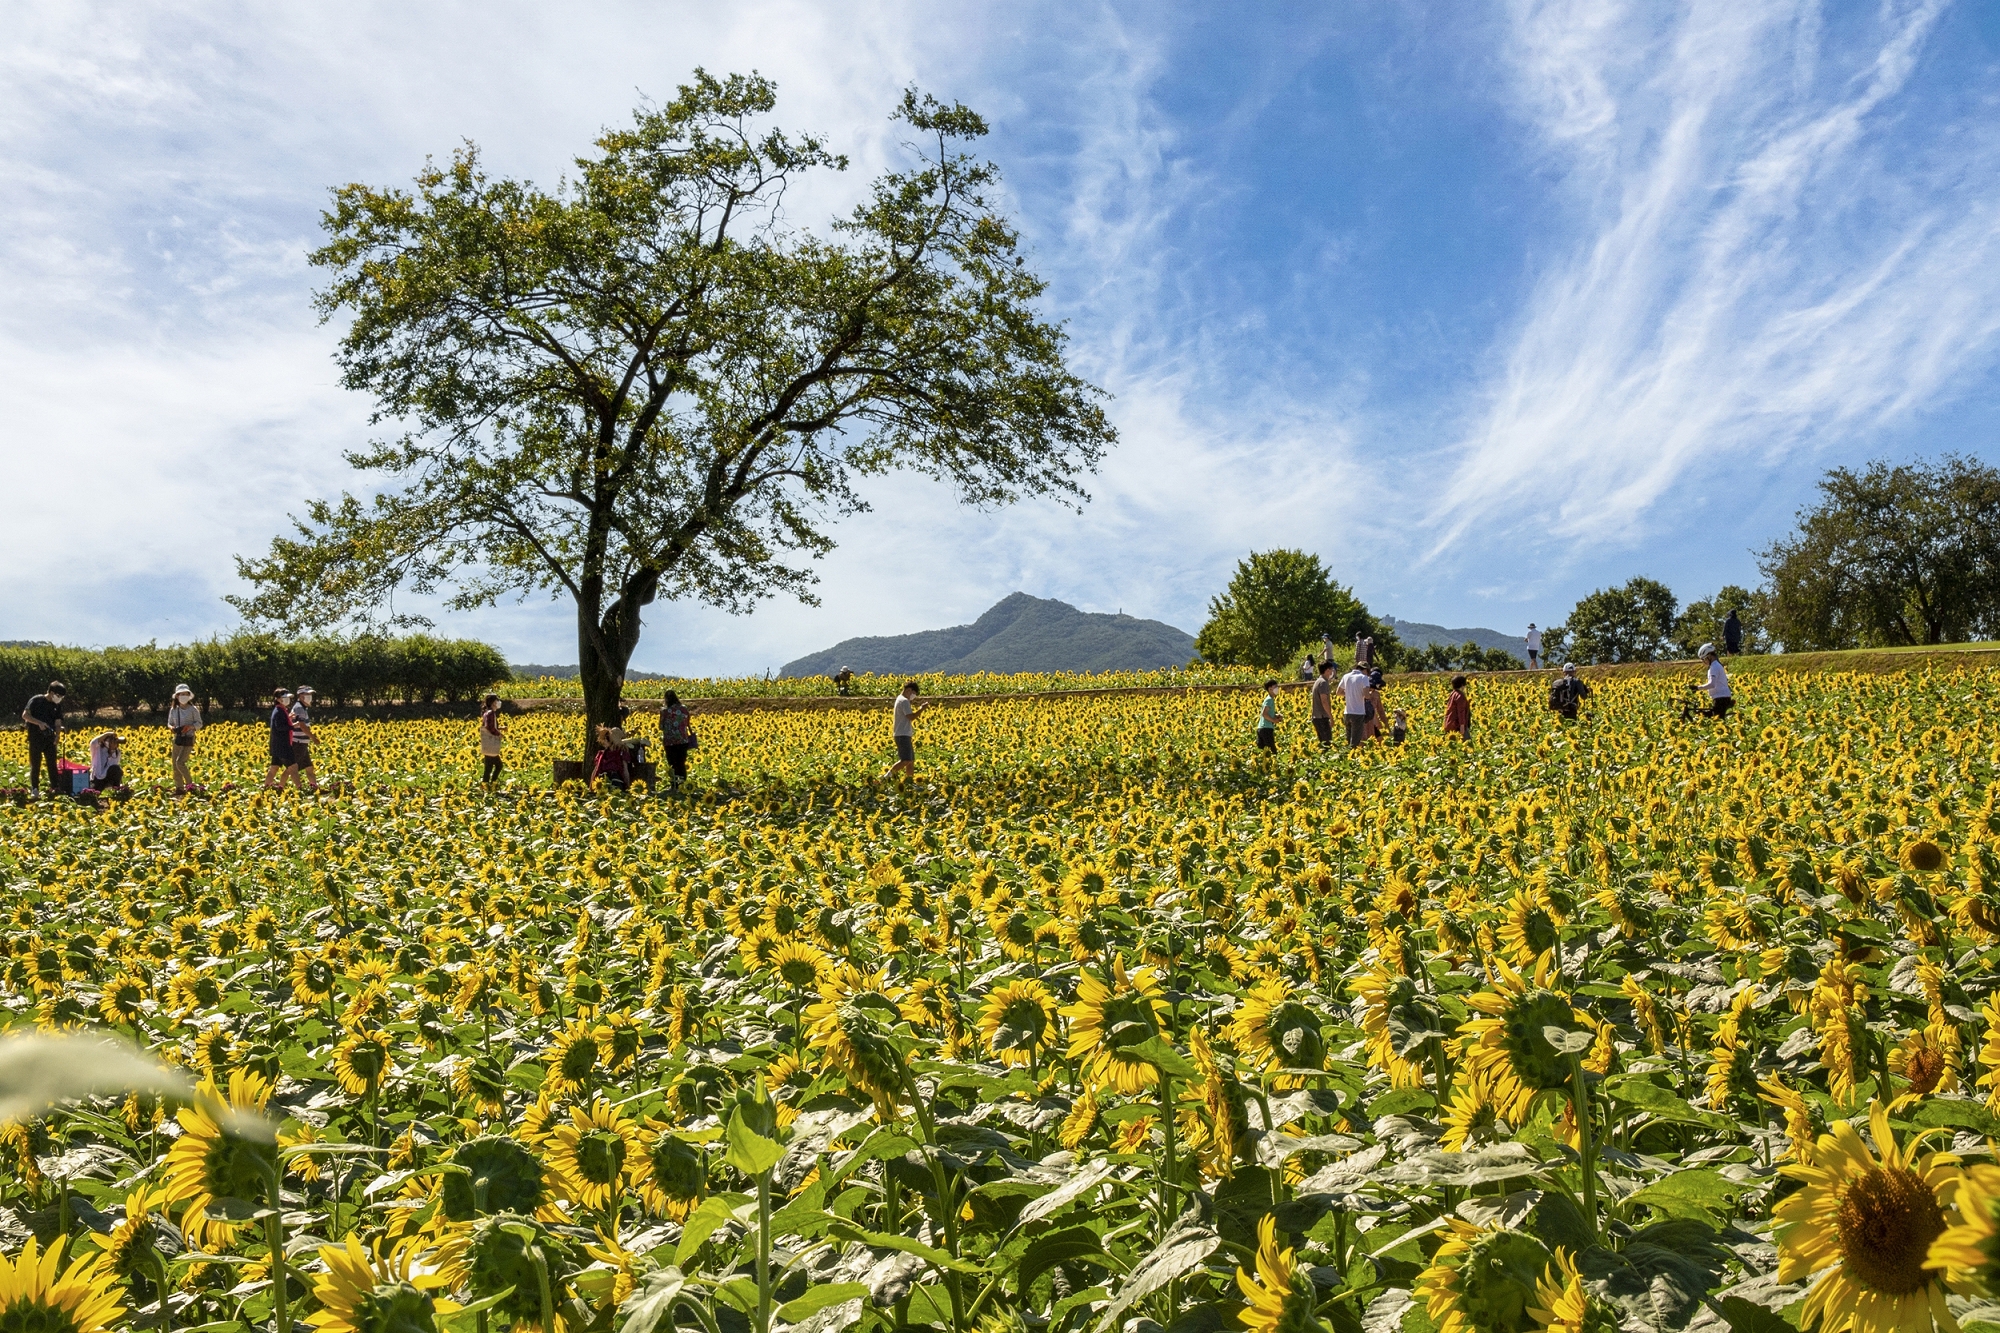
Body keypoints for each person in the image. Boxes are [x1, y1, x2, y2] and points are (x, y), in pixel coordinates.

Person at [20, 680, 66, 796]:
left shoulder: (57, 705)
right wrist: (39, 723)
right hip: (35, 738)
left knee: (52, 765)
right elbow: (25, 715)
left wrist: (57, 735)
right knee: (35, 765)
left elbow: (58, 722)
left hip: (49, 739)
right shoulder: (36, 700)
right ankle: (35, 789)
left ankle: (55, 788)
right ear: (51, 693)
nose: (59, 698)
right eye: (58, 696)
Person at [166, 683, 202, 792]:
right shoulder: (173, 709)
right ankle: (179, 787)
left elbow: (199, 723)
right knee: (174, 764)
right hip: (177, 738)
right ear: (177, 696)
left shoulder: (193, 709)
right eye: (181, 694)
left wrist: (190, 727)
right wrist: (172, 728)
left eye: (186, 694)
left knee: (180, 762)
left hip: (188, 738)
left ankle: (190, 785)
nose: (183, 696)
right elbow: (169, 723)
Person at [886, 681, 925, 777]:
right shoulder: (904, 701)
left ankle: (909, 781)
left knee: (910, 761)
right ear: (909, 690)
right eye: (914, 694)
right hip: (902, 734)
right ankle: (886, 777)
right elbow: (911, 717)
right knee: (906, 760)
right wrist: (921, 709)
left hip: (903, 734)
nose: (914, 696)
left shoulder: (900, 700)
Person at [659, 690, 696, 789]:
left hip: (669, 742)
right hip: (682, 740)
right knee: (681, 763)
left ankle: (674, 785)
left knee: (672, 764)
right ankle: (683, 785)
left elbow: (661, 727)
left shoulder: (664, 711)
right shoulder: (684, 709)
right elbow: (687, 723)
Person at [264, 689, 296, 791]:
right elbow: (279, 727)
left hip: (277, 745)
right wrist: (292, 726)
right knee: (293, 767)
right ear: (278, 699)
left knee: (274, 768)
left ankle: (267, 788)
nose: (288, 700)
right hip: (282, 745)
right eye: (285, 698)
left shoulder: (281, 710)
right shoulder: (278, 711)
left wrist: (289, 719)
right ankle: (296, 788)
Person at [290, 686, 320, 793]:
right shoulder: (299, 707)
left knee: (309, 767)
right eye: (307, 695)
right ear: (301, 696)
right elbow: (302, 725)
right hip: (298, 742)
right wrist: (313, 738)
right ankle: (298, 789)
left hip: (302, 742)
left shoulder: (302, 707)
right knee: (293, 768)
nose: (309, 697)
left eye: (310, 695)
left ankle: (314, 788)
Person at [1693, 643, 1734, 719]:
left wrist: (1698, 688)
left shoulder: (1714, 667)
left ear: (1709, 656)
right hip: (1722, 697)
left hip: (1721, 698)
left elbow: (1712, 684)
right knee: (1708, 716)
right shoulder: (1717, 665)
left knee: (1715, 720)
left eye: (1703, 659)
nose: (1703, 662)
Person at [1338, 661, 1370, 749]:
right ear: (1365, 670)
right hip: (1358, 713)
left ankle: (1346, 757)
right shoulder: (1364, 678)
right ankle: (1352, 759)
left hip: (1347, 713)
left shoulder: (1346, 676)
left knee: (1348, 740)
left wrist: (1350, 693)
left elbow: (1338, 692)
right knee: (1355, 741)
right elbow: (1366, 695)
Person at [590, 723, 632, 788]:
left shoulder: (621, 753)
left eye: (606, 739)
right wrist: (591, 786)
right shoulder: (602, 754)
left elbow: (625, 770)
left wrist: (627, 785)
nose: (605, 742)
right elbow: (596, 770)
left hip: (614, 780)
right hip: (603, 780)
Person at [478, 693, 506, 784]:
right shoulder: (491, 713)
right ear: (493, 702)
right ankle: (492, 784)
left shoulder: (487, 712)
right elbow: (489, 727)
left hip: (487, 744)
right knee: (499, 766)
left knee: (488, 768)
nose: (498, 702)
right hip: (491, 744)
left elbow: (490, 726)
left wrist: (501, 728)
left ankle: (486, 786)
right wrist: (499, 734)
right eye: (497, 700)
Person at [1309, 661, 1336, 749]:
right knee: (1327, 745)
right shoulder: (1323, 682)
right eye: (1331, 669)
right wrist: (1331, 717)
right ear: (1327, 670)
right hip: (1322, 717)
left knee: (1323, 745)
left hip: (1317, 717)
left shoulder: (1318, 681)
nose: (1332, 672)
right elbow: (1324, 701)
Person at [1443, 674, 1472, 740]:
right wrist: (1462, 726)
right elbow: (1461, 712)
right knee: (1467, 744)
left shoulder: (1453, 693)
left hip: (1449, 723)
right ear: (1462, 685)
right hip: (1457, 726)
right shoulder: (1460, 696)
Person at [1256, 680, 1280, 751]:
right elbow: (1264, 714)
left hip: (1261, 728)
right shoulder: (1269, 700)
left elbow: (1267, 714)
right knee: (1272, 751)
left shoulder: (1268, 699)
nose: (1277, 688)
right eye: (1275, 687)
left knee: (1263, 751)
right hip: (1266, 728)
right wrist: (1274, 720)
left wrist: (1276, 716)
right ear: (1270, 689)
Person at [1364, 665, 1387, 741]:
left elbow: (1380, 711)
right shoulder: (1363, 691)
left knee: (1380, 741)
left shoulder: (1376, 694)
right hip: (1363, 722)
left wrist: (1386, 725)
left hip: (1373, 723)